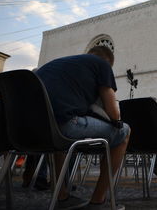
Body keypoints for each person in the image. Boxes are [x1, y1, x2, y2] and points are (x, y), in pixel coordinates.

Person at [36, 46, 130, 210]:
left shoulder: (56, 65)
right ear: (108, 62)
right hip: (63, 127)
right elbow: (114, 115)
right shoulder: (102, 65)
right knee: (124, 132)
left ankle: (62, 196)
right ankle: (97, 201)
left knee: (60, 138)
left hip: (32, 130)